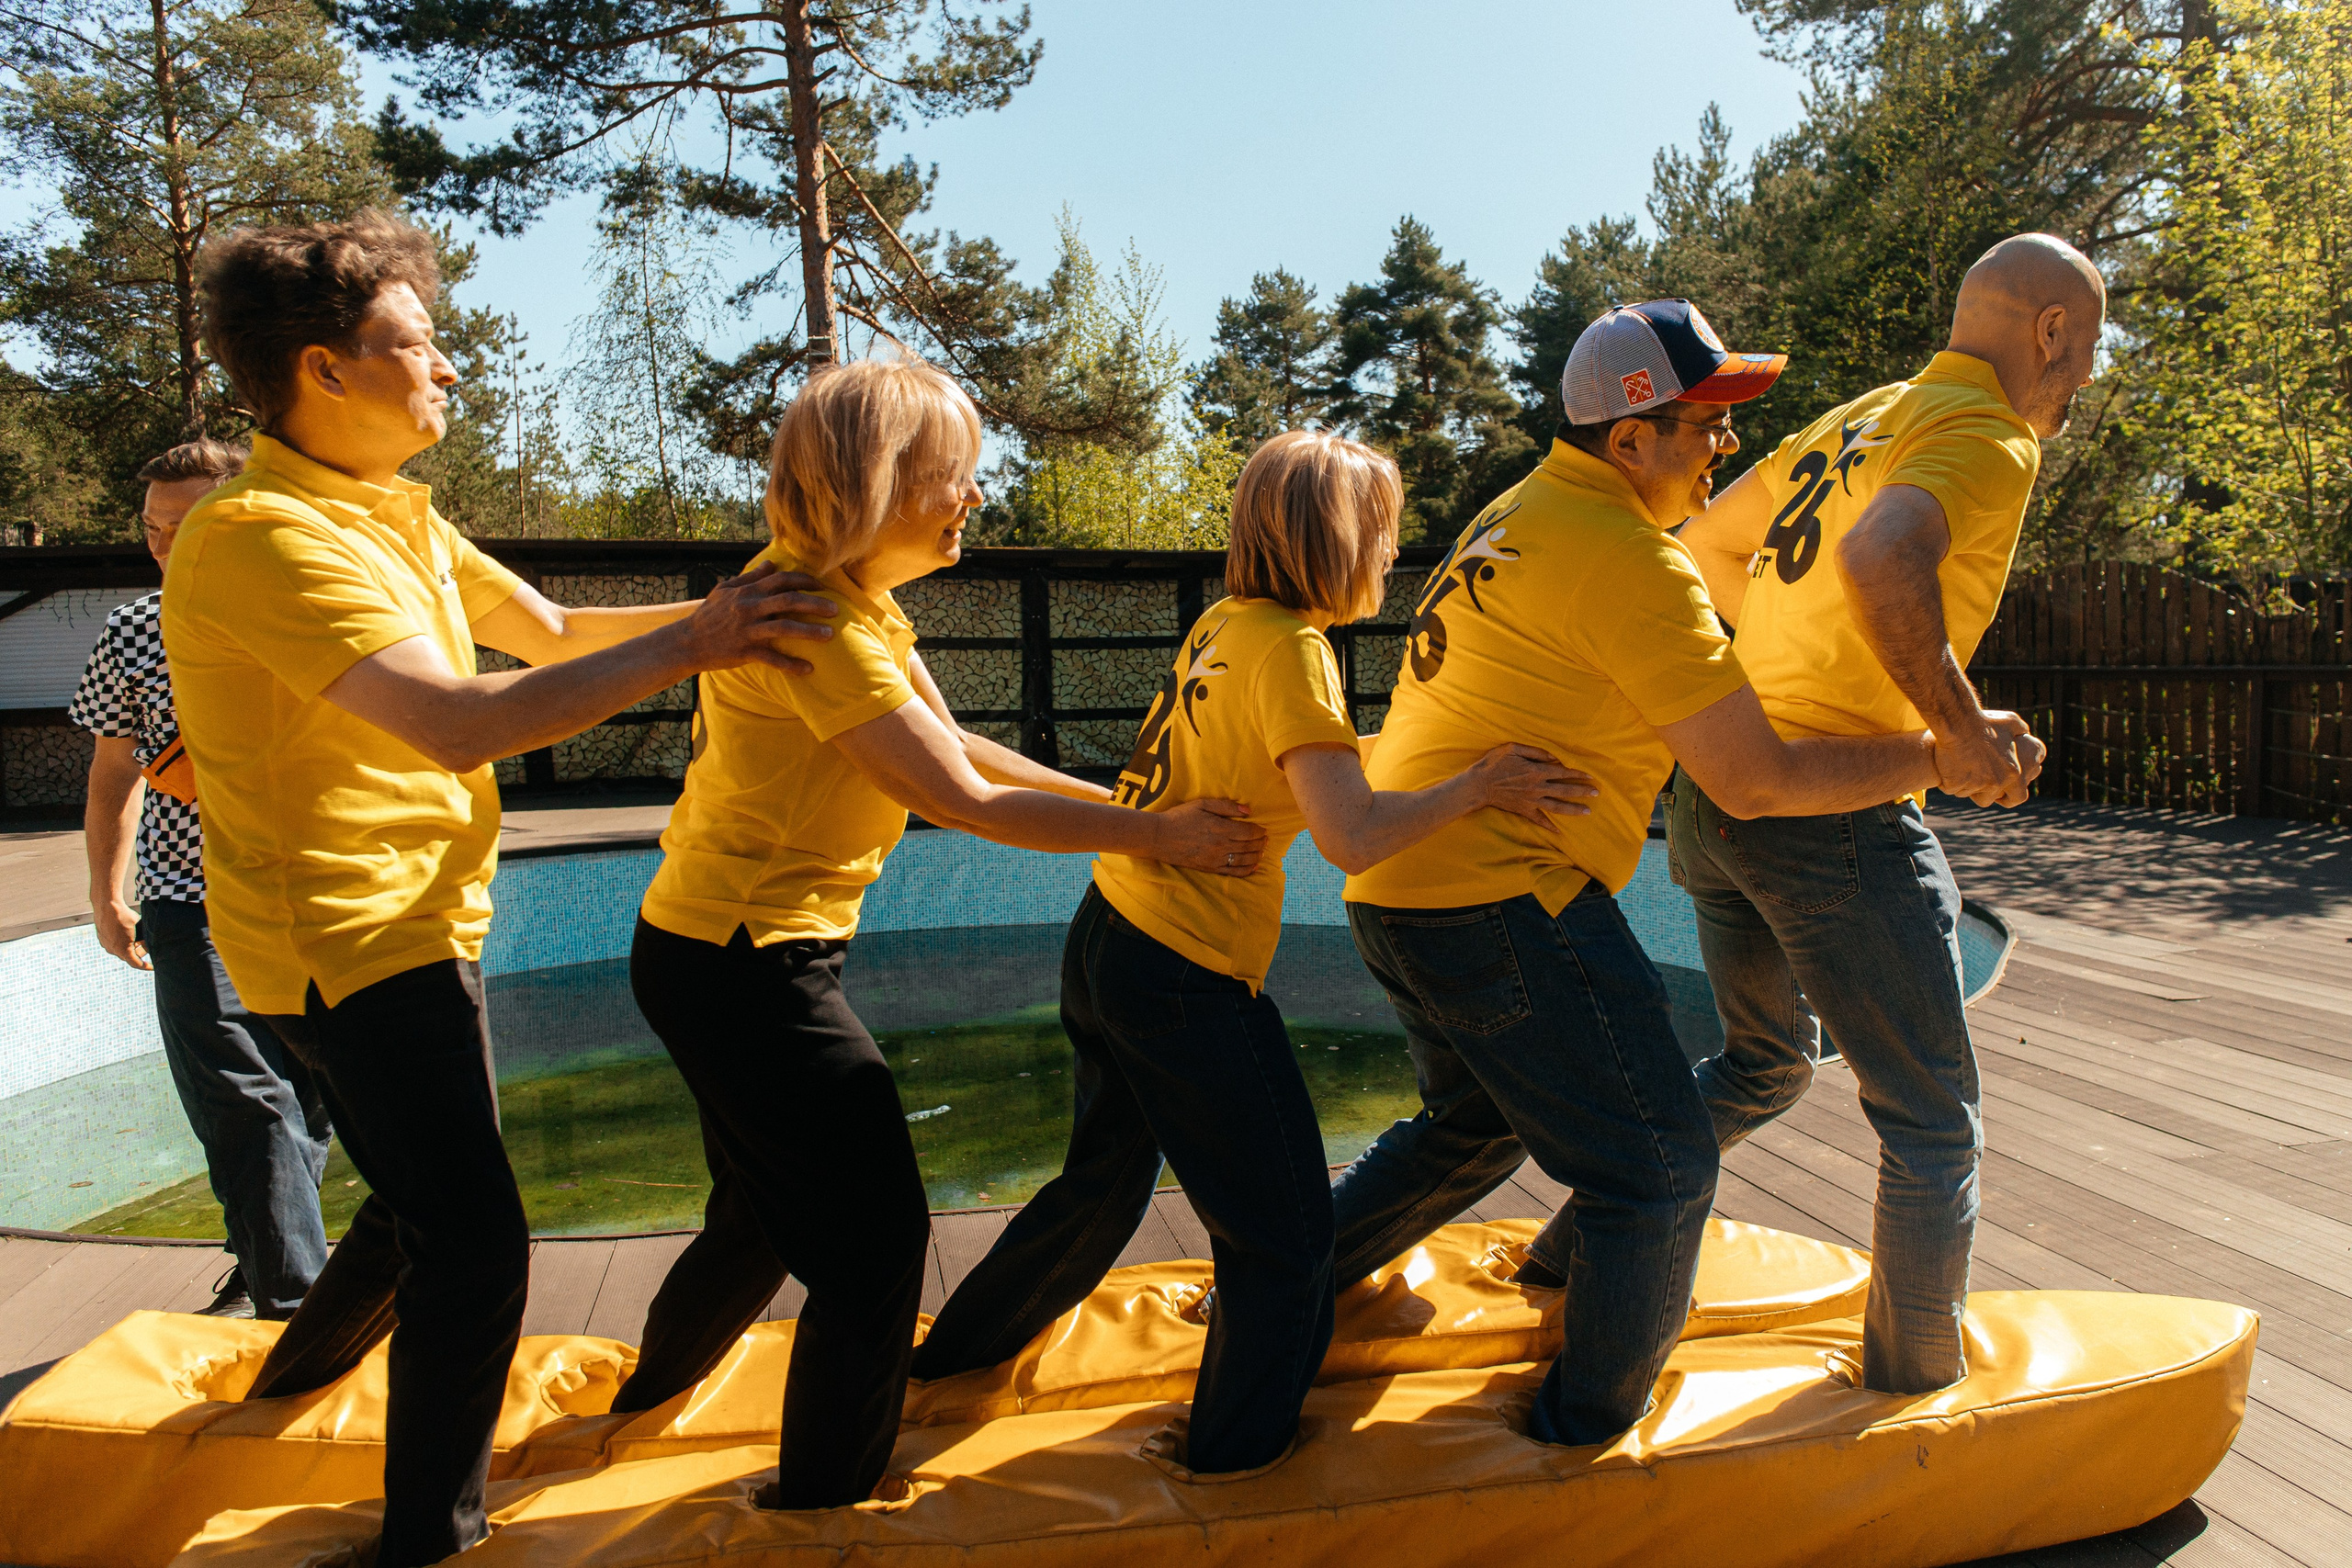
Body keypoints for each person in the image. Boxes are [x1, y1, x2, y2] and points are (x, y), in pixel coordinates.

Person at [162, 210, 842, 1568]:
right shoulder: (258, 536)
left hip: (422, 914)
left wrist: (732, 623)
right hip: (344, 933)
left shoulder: (393, 507)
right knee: (474, 1243)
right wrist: (703, 638)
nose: (450, 367)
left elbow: (545, 633)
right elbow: (463, 718)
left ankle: (282, 1389)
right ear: (325, 370)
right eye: (417, 344)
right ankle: (429, 1539)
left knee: (410, 1192)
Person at [1329, 299, 2020, 1450]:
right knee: (1658, 1176)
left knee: (1471, 1126)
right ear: (1632, 437)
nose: (1729, 445)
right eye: (1707, 422)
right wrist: (1941, 751)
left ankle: (1278, 1276)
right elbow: (1751, 782)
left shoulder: (1523, 508)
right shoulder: (1626, 559)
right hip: (1501, 898)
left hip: (1399, 890)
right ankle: (1579, 1441)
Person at [606, 355, 1269, 1510]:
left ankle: (635, 1409)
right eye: (953, 476)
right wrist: (1159, 839)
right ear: (878, 482)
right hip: (745, 960)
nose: (974, 496)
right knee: (872, 1251)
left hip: (715, 946)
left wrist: (1132, 816)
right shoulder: (823, 624)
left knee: (761, 1215)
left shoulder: (847, 599)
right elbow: (962, 802)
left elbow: (962, 755)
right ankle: (823, 1509)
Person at [908, 432, 1590, 1477]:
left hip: (1108, 937)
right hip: (1182, 975)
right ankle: (1233, 1467)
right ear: (1338, 540)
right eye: (1382, 530)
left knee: (1096, 1187)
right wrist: (1481, 786)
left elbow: (1260, 773)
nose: (1388, 549)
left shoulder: (1229, 624)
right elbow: (1351, 837)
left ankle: (945, 1364)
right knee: (1285, 1245)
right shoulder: (1295, 653)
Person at [1668, 233, 2090, 1397]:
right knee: (1930, 1122)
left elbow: (1704, 542)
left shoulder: (1867, 413)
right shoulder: (1986, 435)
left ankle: (1571, 1259)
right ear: (2051, 330)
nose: (2085, 377)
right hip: (1835, 822)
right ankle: (1912, 1395)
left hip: (1718, 794)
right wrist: (1954, 733)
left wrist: (1765, 683)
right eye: (2087, 347)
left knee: (1761, 1065)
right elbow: (1882, 556)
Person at [68, 437, 331, 1322]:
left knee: (313, 1104)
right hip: (190, 902)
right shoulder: (132, 630)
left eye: (189, 526)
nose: (166, 546)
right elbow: (115, 773)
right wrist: (109, 890)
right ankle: (295, 1308)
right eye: (152, 528)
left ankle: (264, 1262)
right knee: (244, 1100)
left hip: (316, 897)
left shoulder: (309, 608)